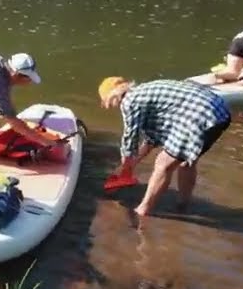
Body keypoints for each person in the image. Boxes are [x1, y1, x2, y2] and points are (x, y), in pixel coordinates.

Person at [98, 76, 232, 217]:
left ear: (112, 96)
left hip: (200, 115)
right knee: (186, 162)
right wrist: (127, 168)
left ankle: (143, 210)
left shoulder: (129, 101)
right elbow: (150, 140)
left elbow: (130, 139)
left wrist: (126, 167)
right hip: (219, 113)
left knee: (163, 164)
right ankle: (183, 205)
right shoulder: (145, 93)